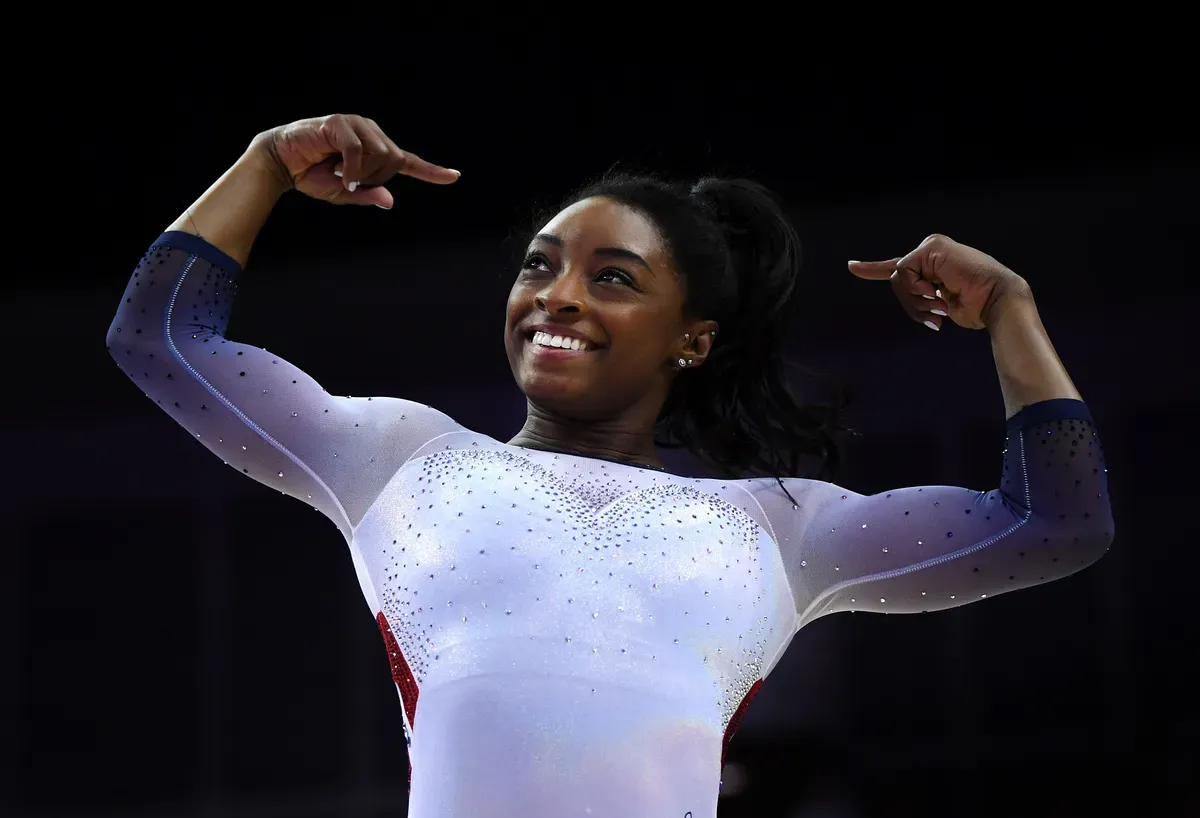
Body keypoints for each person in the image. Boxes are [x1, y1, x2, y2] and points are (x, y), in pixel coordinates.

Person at [105, 114, 1114, 818]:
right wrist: (266, 164)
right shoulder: (400, 457)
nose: (558, 296)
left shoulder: (782, 528)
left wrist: (1012, 314)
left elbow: (1056, 523)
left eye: (612, 278)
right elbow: (160, 339)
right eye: (538, 265)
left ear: (693, 338)